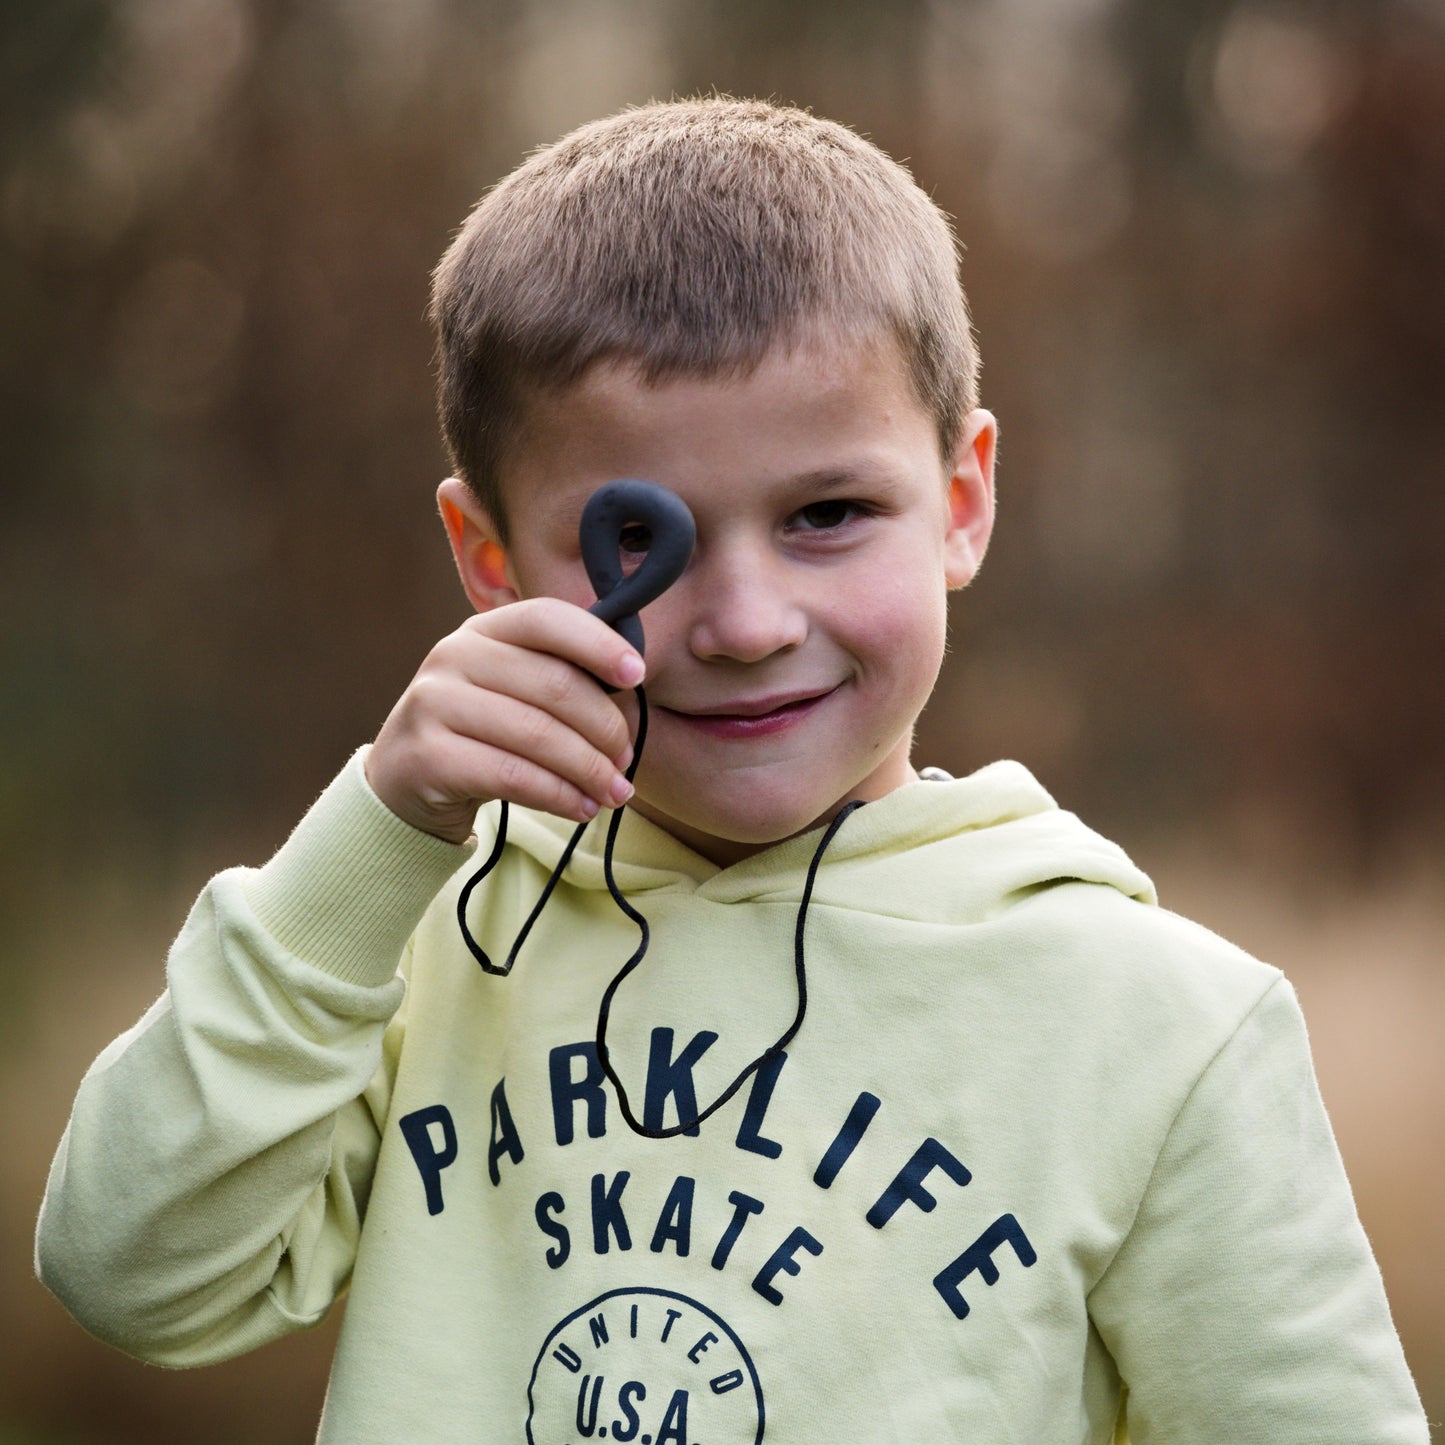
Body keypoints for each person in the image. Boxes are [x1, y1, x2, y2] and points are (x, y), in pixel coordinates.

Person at [37, 98, 1426, 1444]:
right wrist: (380, 833)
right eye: (641, 535)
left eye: (829, 513)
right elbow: (131, 1273)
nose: (748, 622)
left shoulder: (1163, 1025)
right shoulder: (410, 947)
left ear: (960, 500)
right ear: (489, 563)